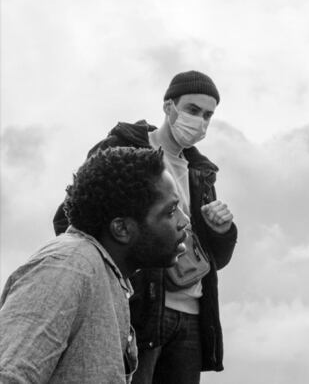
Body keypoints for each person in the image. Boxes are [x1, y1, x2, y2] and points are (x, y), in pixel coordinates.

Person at [52, 70, 238, 383]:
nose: (201, 122)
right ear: (169, 107)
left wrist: (222, 231)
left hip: (191, 316)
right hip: (139, 311)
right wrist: (118, 281)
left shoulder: (201, 173)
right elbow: (69, 220)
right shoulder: (122, 152)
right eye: (193, 110)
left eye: (208, 115)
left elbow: (215, 260)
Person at [0, 146, 189, 383]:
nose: (185, 221)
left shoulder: (103, 274)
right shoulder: (68, 267)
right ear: (121, 229)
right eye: (171, 211)